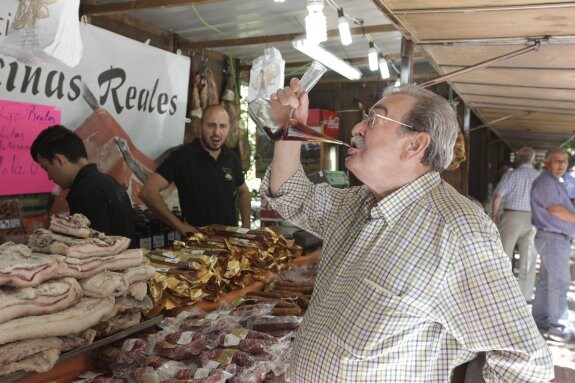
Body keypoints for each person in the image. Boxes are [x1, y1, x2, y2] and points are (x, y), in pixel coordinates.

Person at [261, 81, 552, 381]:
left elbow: (525, 363)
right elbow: (289, 193)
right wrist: (290, 128)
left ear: (414, 144)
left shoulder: (458, 232)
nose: (356, 128)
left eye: (373, 119)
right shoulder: (357, 203)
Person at [140, 104, 251, 235]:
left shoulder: (231, 158)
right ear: (200, 125)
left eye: (222, 126)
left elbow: (244, 191)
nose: (216, 132)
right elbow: (148, 192)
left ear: (229, 127)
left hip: (229, 242)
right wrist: (178, 225)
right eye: (211, 125)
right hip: (197, 244)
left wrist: (246, 226)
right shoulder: (182, 157)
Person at [30, 125, 136, 245]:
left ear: (59, 160)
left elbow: (91, 249)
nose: (49, 177)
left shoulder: (85, 191)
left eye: (46, 168)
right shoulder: (107, 181)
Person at [531, 148, 575, 342]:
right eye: (557, 160)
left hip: (552, 238)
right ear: (547, 162)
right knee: (559, 283)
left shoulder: (554, 181)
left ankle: (540, 320)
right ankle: (559, 328)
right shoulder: (546, 182)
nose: (561, 164)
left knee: (546, 283)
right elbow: (556, 209)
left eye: (564, 161)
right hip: (553, 238)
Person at [490, 146, 539, 301]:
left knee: (504, 254)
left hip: (512, 216)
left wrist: (494, 214)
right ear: (534, 160)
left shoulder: (511, 175)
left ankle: (501, 293)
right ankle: (525, 295)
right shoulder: (539, 176)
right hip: (533, 218)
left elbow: (498, 196)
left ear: (518, 159)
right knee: (528, 257)